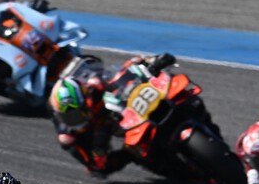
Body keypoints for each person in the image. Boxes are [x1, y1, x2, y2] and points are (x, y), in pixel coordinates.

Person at [47, 52, 178, 177]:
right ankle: (137, 155)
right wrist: (99, 151)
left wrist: (148, 63)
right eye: (68, 117)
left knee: (157, 78)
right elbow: (96, 162)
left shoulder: (94, 84)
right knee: (101, 167)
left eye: (76, 114)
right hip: (96, 131)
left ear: (87, 100)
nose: (75, 120)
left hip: (107, 112)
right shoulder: (68, 133)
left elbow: (123, 71)